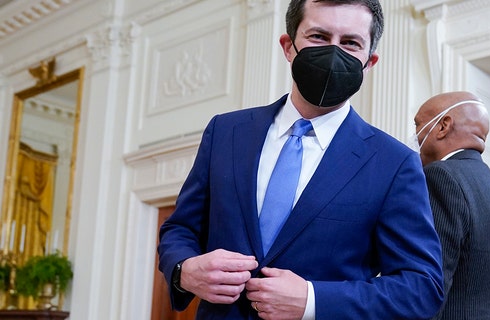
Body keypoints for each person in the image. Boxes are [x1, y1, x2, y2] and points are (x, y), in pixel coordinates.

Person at [157, 0, 445, 319]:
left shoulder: (394, 163)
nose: (333, 52)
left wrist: (312, 300)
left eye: (350, 43)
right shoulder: (226, 132)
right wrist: (184, 269)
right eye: (318, 36)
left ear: (370, 61)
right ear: (288, 46)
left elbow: (421, 288)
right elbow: (180, 228)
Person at [412, 91, 490, 320]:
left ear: (443, 126)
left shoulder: (440, 176)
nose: (416, 136)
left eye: (418, 125)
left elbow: (429, 287)